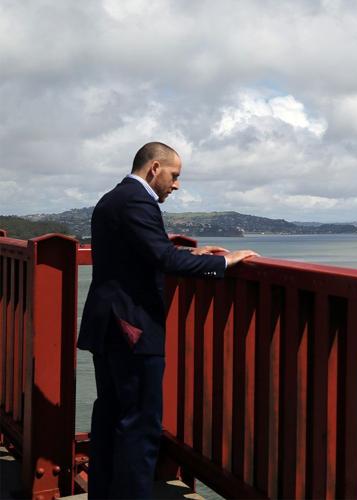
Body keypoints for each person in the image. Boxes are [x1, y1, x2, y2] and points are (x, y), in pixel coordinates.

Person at [78, 142, 259, 498]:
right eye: (175, 176)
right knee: (140, 425)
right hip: (131, 327)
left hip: (107, 325)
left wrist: (188, 252)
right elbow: (165, 262)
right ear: (155, 168)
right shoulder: (137, 201)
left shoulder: (112, 199)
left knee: (110, 417)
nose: (176, 185)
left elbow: (141, 253)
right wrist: (225, 262)